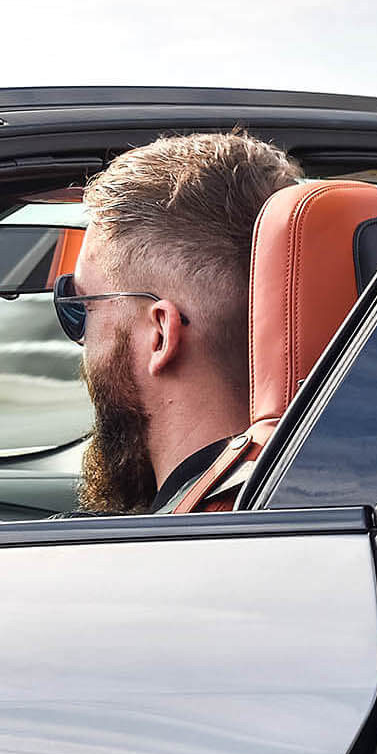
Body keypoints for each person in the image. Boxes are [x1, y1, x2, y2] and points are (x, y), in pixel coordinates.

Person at [57, 130, 302, 514]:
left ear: (160, 335)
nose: (82, 339)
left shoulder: (176, 538)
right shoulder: (345, 482)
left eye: (83, 307)